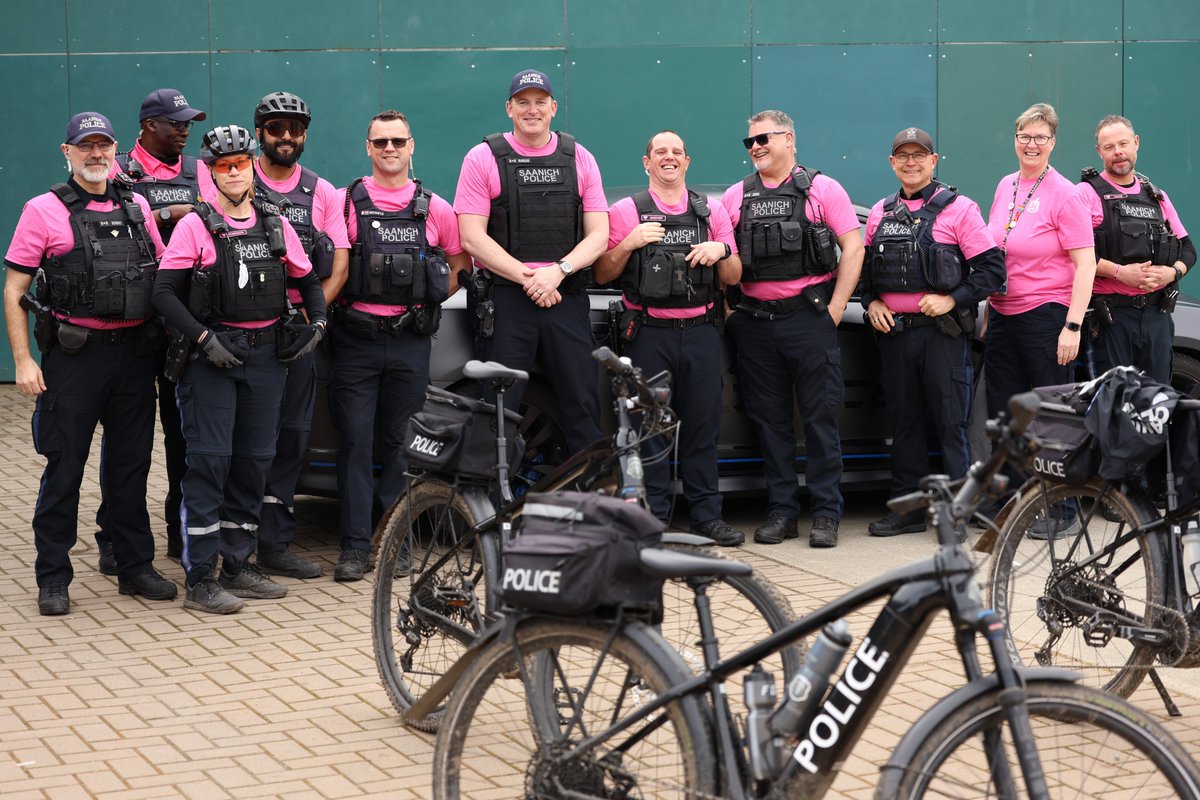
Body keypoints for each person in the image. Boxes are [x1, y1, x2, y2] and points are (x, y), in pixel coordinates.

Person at [3, 112, 173, 615]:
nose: (96, 154)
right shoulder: (42, 209)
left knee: (131, 468)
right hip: (75, 360)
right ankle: (53, 576)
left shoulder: (137, 205)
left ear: (116, 149)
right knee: (64, 469)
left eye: (104, 145)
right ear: (67, 151)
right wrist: (22, 361)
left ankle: (134, 566)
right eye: (86, 146)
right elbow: (14, 290)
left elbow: (163, 274)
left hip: (134, 357)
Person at [152, 125, 327, 613]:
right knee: (209, 462)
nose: (233, 172)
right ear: (209, 172)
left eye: (240, 163)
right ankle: (201, 579)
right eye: (223, 166)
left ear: (252, 166)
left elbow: (309, 281)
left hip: (267, 358)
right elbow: (164, 294)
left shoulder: (274, 222)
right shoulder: (196, 225)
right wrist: (204, 339)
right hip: (213, 359)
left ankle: (237, 564)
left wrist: (319, 326)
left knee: (254, 461)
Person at [331, 110, 470, 582]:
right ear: (367, 148)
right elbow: (333, 264)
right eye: (380, 142)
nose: (389, 149)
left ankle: (398, 542)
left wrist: (427, 303)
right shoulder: (344, 201)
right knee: (353, 442)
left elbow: (458, 261)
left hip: (411, 341)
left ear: (412, 147)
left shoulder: (435, 207)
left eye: (397, 141)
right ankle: (353, 546)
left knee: (403, 446)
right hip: (355, 341)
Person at [721, 110, 864, 548]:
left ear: (789, 139)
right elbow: (723, 260)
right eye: (749, 142)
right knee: (770, 422)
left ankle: (825, 513)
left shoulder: (822, 189)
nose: (756, 147)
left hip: (809, 317)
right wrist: (732, 313)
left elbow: (853, 245)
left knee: (821, 419)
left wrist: (837, 308)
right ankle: (782, 512)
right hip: (755, 323)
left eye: (763, 139)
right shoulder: (735, 196)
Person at [594, 130, 744, 546]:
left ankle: (707, 516)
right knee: (650, 430)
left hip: (700, 332)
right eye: (660, 152)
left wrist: (721, 251)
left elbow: (734, 278)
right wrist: (627, 244)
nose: (669, 157)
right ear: (647, 162)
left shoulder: (710, 212)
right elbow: (603, 273)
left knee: (702, 428)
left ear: (687, 161)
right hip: (648, 334)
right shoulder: (627, 211)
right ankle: (653, 519)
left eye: (677, 152)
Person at [454, 69, 609, 455]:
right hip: (507, 301)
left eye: (541, 101)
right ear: (509, 108)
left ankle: (586, 507)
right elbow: (471, 236)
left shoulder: (580, 157)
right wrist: (531, 279)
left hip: (566, 298)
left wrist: (558, 273)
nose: (532, 109)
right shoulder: (483, 156)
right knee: (497, 411)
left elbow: (599, 235)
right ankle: (494, 511)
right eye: (523, 102)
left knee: (582, 407)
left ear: (554, 107)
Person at [861, 128, 1005, 536]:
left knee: (950, 423)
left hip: (942, 334)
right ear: (892, 163)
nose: (911, 162)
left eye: (918, 155)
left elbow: (993, 270)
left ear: (933, 160)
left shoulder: (960, 210)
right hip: (895, 335)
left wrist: (952, 298)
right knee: (904, 423)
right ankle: (907, 511)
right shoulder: (879, 212)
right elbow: (866, 275)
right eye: (902, 156)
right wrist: (871, 302)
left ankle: (957, 514)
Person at [92, 88, 211, 576]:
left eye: (188, 123)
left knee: (184, 439)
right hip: (137, 325)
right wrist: (170, 215)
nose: (184, 130)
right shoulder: (119, 170)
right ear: (147, 127)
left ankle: (177, 534)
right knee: (128, 442)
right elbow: (104, 227)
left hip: (183, 321)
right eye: (174, 123)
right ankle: (113, 537)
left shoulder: (197, 169)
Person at [983, 103, 1097, 537]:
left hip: (1047, 316)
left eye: (1040, 137)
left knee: (1052, 416)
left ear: (1053, 143)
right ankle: (1016, 501)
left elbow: (1085, 264)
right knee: (1008, 414)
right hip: (1004, 316)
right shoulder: (1005, 184)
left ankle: (1063, 507)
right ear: (1015, 139)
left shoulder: (1065, 193)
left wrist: (1072, 326)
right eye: (1024, 136)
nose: (1031, 144)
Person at [251, 91, 350, 580]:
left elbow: (340, 265)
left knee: (292, 439)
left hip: (297, 336)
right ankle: (232, 544)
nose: (286, 136)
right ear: (259, 132)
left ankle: (274, 544)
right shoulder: (233, 181)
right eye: (275, 127)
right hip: (244, 336)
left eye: (295, 128)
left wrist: (312, 320)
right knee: (242, 440)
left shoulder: (324, 192)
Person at [1078, 114, 1194, 383]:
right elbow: (1075, 256)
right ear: (1099, 152)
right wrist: (1119, 272)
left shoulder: (1157, 196)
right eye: (1109, 147)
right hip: (1111, 320)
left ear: (1136, 143)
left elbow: (1188, 248)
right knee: (1113, 409)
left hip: (1157, 317)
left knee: (1156, 408)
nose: (1118, 152)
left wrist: (1172, 273)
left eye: (1123, 143)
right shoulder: (1085, 194)